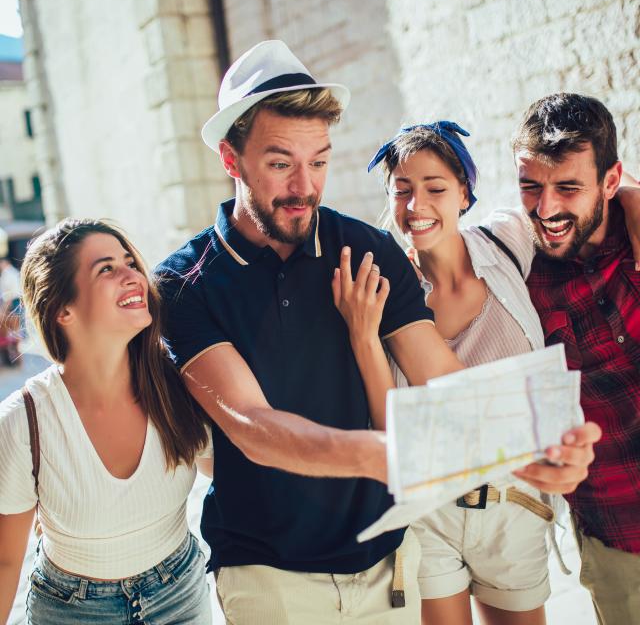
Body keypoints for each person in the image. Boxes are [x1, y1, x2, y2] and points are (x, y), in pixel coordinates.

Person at [156, 40, 599, 624]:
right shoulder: (187, 282)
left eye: (318, 161)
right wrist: (391, 454)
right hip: (267, 573)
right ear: (230, 158)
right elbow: (254, 428)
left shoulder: (364, 248)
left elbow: (442, 380)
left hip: (386, 567)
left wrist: (532, 448)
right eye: (279, 162)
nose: (304, 186)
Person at [332, 121, 573, 625]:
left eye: (434, 188)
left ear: (464, 193)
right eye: (401, 191)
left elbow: (597, 194)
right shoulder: (384, 288)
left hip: (516, 503)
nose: (416, 206)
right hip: (430, 511)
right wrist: (363, 336)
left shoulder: (506, 241)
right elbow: (390, 428)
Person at [0, 219, 212, 624]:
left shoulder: (179, 386)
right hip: (71, 610)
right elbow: (6, 562)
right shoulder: (24, 421)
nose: (132, 275)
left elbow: (236, 475)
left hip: (180, 595)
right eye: (106, 268)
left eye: (130, 262)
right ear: (63, 309)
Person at [485, 93, 640, 625]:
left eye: (568, 188)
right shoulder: (514, 276)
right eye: (532, 186)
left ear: (611, 180)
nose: (546, 209)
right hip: (620, 539)